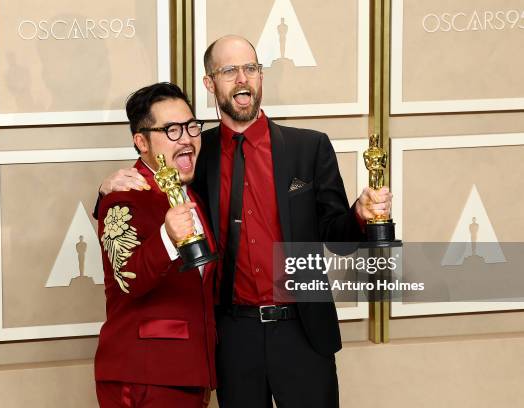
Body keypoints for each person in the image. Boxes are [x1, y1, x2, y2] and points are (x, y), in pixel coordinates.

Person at [97, 35, 392, 408]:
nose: (242, 78)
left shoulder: (309, 147)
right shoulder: (192, 153)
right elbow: (153, 189)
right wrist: (105, 189)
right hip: (232, 337)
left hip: (302, 329)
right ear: (210, 83)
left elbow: (337, 237)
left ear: (260, 77)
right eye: (230, 70)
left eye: (250, 68)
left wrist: (361, 215)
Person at [94, 82, 216, 408]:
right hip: (144, 375)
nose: (187, 138)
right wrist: (167, 237)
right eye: (171, 130)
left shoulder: (191, 193)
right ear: (141, 141)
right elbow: (126, 279)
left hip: (190, 373)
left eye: (191, 126)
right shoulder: (123, 195)